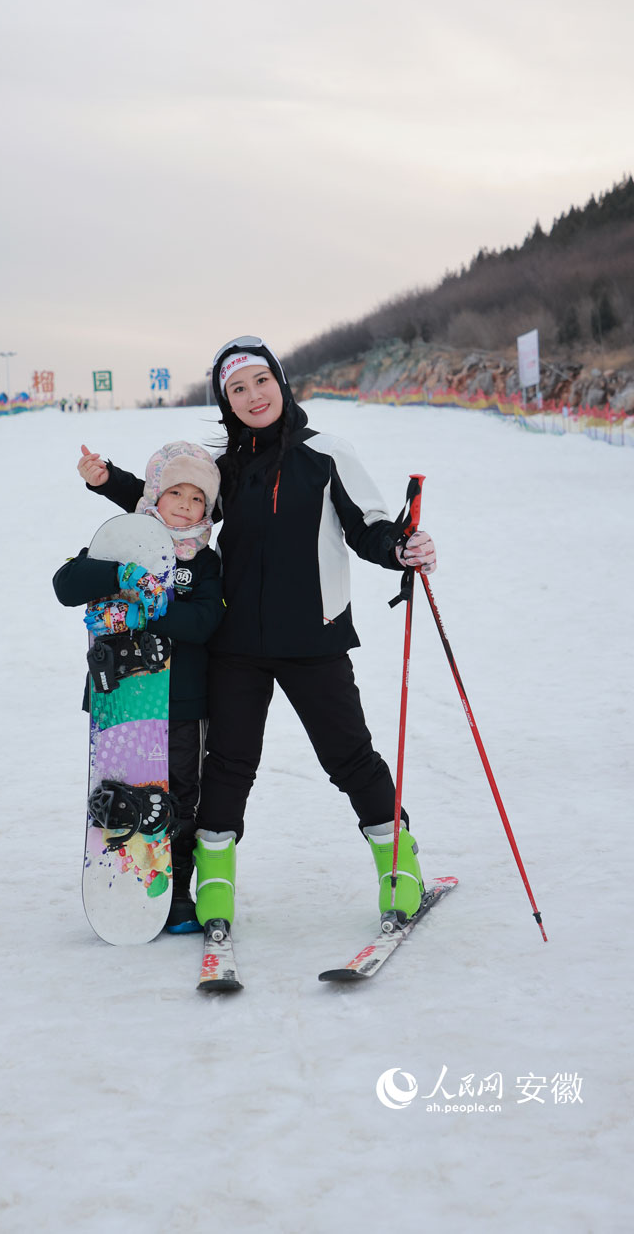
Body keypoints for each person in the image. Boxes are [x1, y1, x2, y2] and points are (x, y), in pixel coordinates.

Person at [79, 338, 437, 935]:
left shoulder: (326, 454)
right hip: (237, 645)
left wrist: (401, 548)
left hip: (314, 640)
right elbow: (175, 506)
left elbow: (369, 528)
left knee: (349, 757)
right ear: (226, 400)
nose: (252, 397)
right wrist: (107, 481)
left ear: (280, 381)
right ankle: (214, 888)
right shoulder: (226, 468)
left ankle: (400, 867)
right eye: (237, 389)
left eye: (260, 381)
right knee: (228, 765)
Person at [56, 441, 225, 933]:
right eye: (176, 493)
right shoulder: (122, 542)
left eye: (198, 499)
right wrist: (119, 573)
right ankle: (120, 878)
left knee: (178, 797)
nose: (187, 506)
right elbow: (66, 585)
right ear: (155, 495)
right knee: (126, 790)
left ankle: (173, 895)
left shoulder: (205, 562)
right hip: (123, 697)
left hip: (184, 699)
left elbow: (204, 623)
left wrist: (154, 608)